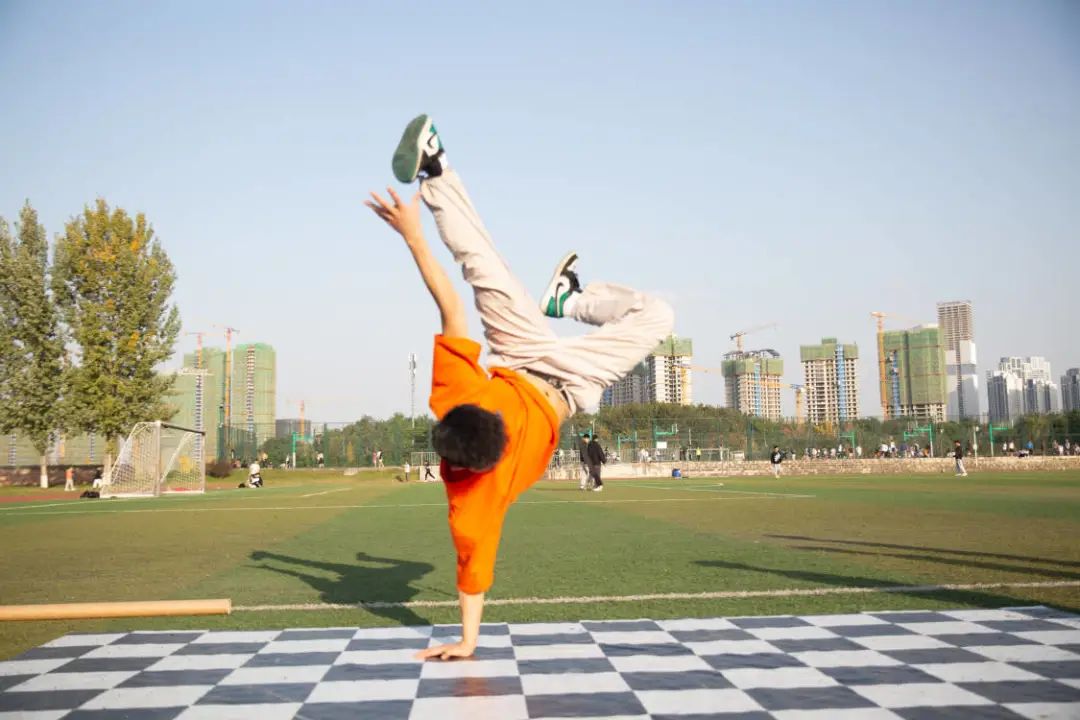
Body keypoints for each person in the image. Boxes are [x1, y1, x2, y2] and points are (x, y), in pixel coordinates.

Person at [365, 114, 673, 661]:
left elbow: (451, 305)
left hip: (519, 353)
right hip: (574, 383)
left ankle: (436, 167)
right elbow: (472, 575)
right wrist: (467, 642)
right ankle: (573, 302)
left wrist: (413, 237)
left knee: (483, 266)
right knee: (660, 316)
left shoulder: (455, 395)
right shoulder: (473, 507)